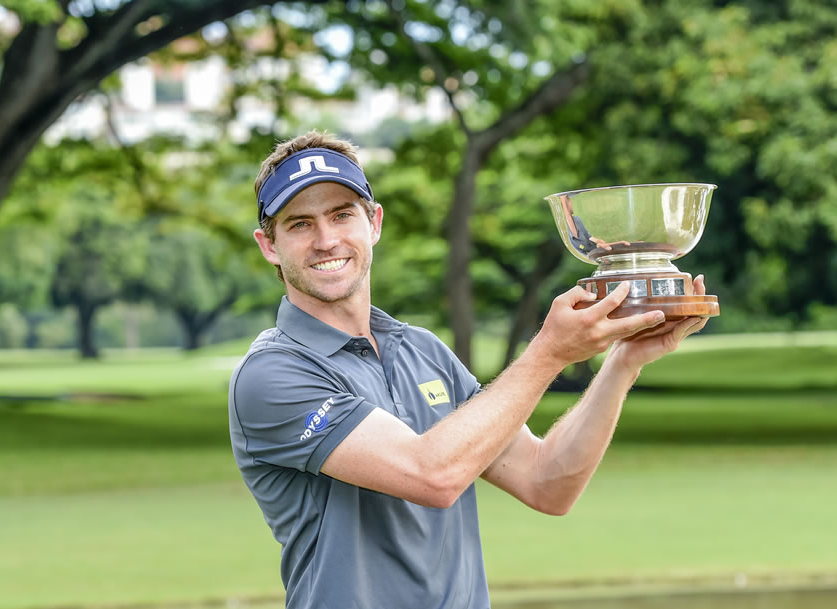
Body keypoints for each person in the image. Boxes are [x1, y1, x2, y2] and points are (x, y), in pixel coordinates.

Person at [228, 130, 708, 609]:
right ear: (269, 246)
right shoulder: (271, 374)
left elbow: (547, 483)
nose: (326, 240)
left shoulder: (422, 351)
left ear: (373, 222)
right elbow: (431, 475)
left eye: (341, 215)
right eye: (299, 224)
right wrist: (550, 352)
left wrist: (623, 362)